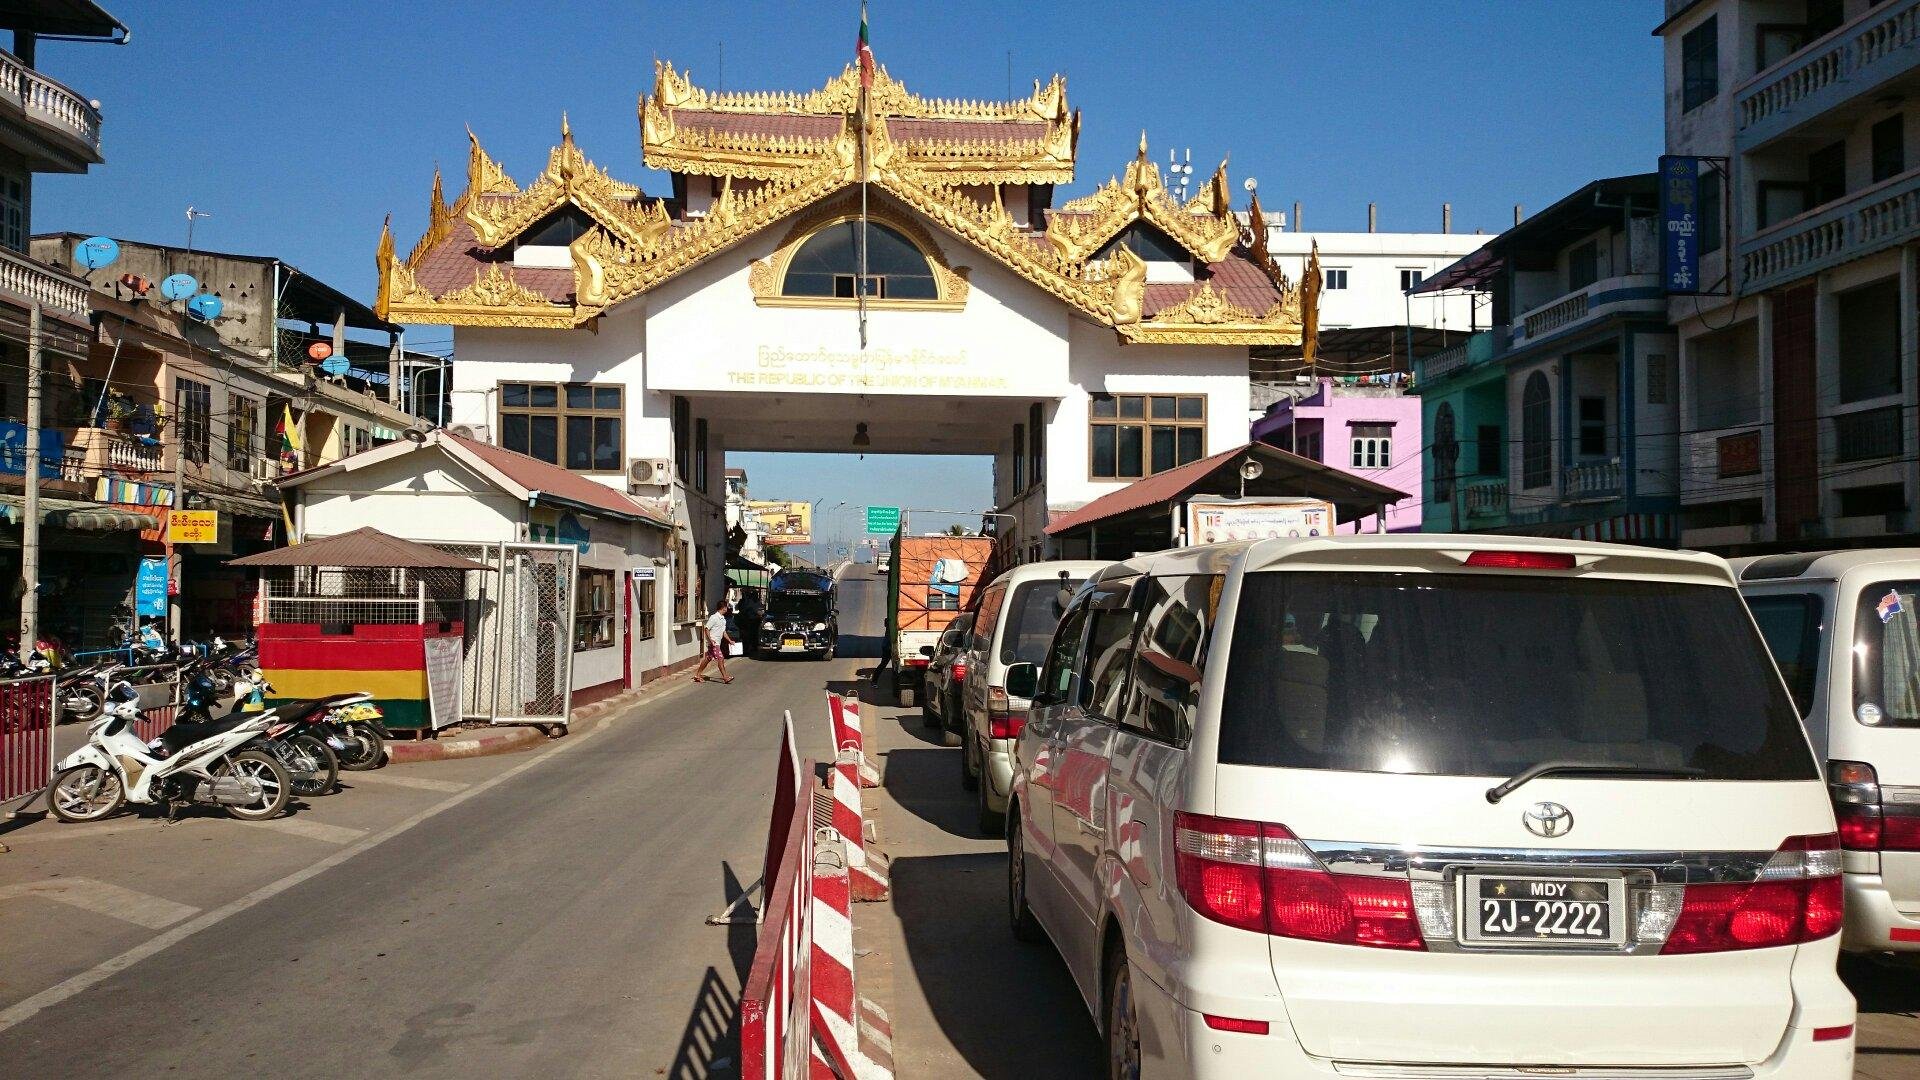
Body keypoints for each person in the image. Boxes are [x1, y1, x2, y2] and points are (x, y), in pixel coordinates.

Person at [694, 599, 734, 684]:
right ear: (723, 608)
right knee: (721, 658)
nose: (727, 609)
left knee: (708, 658)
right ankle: (725, 677)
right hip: (714, 643)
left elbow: (724, 632)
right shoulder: (714, 617)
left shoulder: (723, 619)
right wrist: (710, 640)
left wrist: (730, 640)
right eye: (726, 607)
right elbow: (707, 629)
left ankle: (698, 675)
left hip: (717, 642)